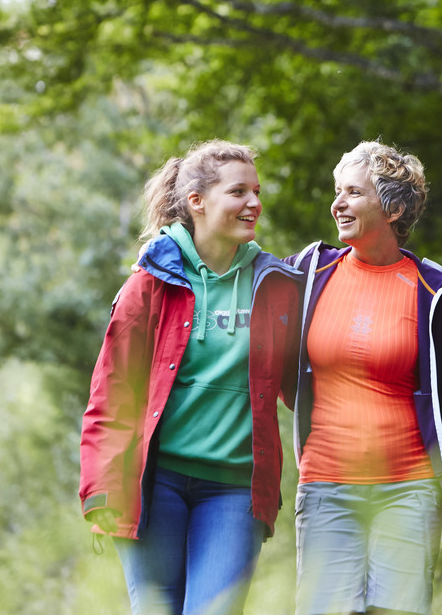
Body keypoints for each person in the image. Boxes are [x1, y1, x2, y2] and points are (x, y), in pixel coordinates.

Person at [79, 140, 302, 615]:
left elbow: (301, 383)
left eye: (257, 192)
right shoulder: (150, 282)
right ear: (197, 201)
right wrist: (101, 489)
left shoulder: (275, 285)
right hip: (153, 483)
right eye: (238, 192)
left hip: (235, 489)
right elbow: (112, 392)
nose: (254, 203)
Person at [287, 141, 442, 615]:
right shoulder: (310, 271)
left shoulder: (434, 288)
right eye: (337, 192)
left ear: (394, 209)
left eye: (353, 192)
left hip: (408, 488)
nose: (338, 204)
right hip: (326, 484)